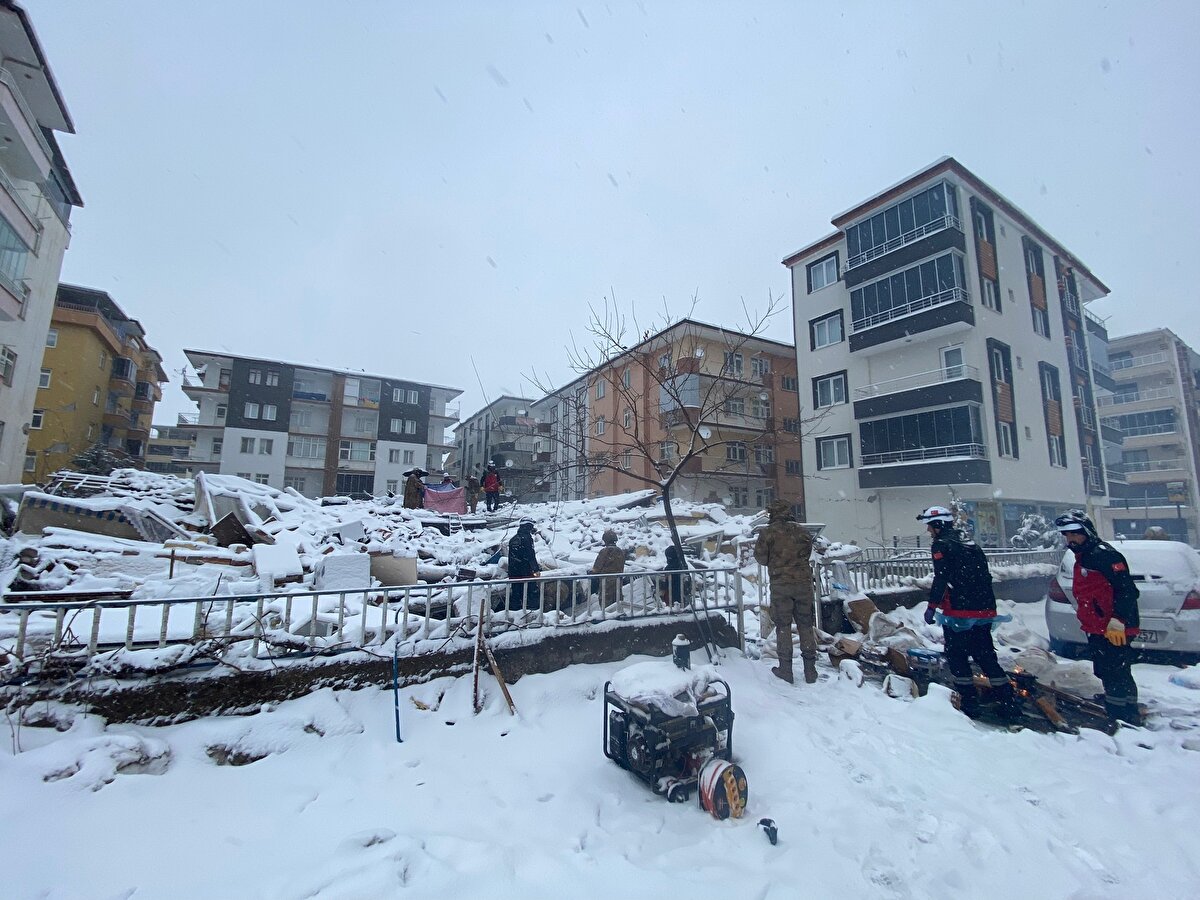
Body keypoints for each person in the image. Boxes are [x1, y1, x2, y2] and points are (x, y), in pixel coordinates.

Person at [918, 505, 1019, 720]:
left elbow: (941, 578)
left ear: (938, 525)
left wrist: (932, 606)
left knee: (957, 656)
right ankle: (1008, 702)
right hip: (984, 609)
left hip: (959, 611)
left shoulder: (942, 545)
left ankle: (969, 703)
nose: (928, 531)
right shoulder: (969, 543)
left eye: (930, 526)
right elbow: (982, 573)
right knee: (985, 656)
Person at [1054, 511, 1142, 725]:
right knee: (1109, 670)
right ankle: (1124, 706)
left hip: (1114, 626)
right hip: (1098, 625)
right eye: (1067, 535)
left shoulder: (1104, 555)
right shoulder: (1085, 555)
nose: (1071, 539)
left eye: (1075, 534)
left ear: (1087, 532)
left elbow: (1127, 590)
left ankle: (1120, 715)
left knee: (1115, 671)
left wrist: (1118, 619)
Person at [753, 499, 818, 684]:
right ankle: (810, 670)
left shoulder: (768, 533)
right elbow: (807, 553)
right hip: (804, 584)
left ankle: (785, 669)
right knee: (806, 625)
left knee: (783, 627)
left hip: (781, 585)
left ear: (773, 513)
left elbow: (761, 558)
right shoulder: (802, 531)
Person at [507, 517, 541, 610]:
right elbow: (530, 555)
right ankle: (533, 612)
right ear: (528, 526)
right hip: (525, 572)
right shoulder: (527, 538)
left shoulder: (514, 539)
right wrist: (536, 569)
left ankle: (514, 612)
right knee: (532, 592)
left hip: (513, 572)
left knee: (516, 594)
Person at [590, 528, 625, 606]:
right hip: (618, 580)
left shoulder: (605, 551)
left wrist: (592, 573)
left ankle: (607, 616)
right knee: (617, 600)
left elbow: (597, 567)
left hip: (606, 581)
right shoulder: (620, 551)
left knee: (605, 602)